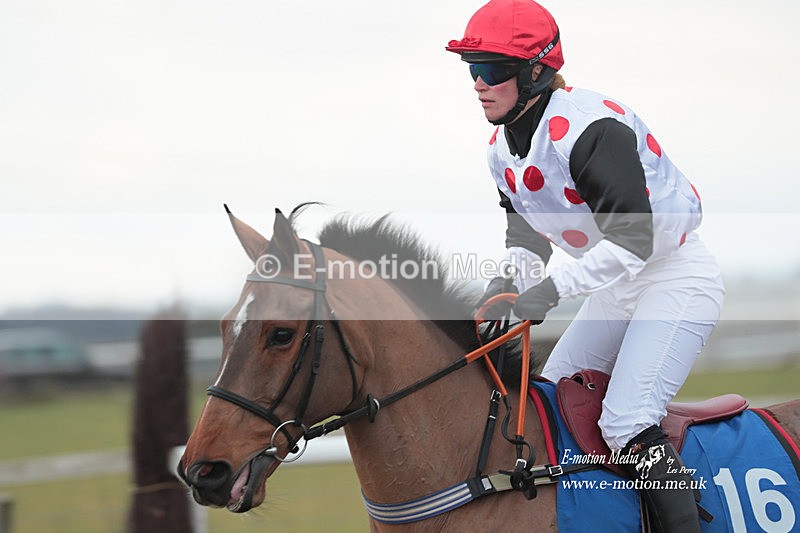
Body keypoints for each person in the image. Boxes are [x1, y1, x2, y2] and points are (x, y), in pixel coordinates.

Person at [446, 1, 724, 531]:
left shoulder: (591, 128)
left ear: (535, 72)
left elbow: (634, 241)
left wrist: (548, 293)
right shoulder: (501, 151)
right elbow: (526, 239)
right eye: (472, 70)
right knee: (549, 403)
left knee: (625, 421)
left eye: (491, 70)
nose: (479, 84)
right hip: (614, 290)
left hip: (674, 279)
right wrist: (507, 285)